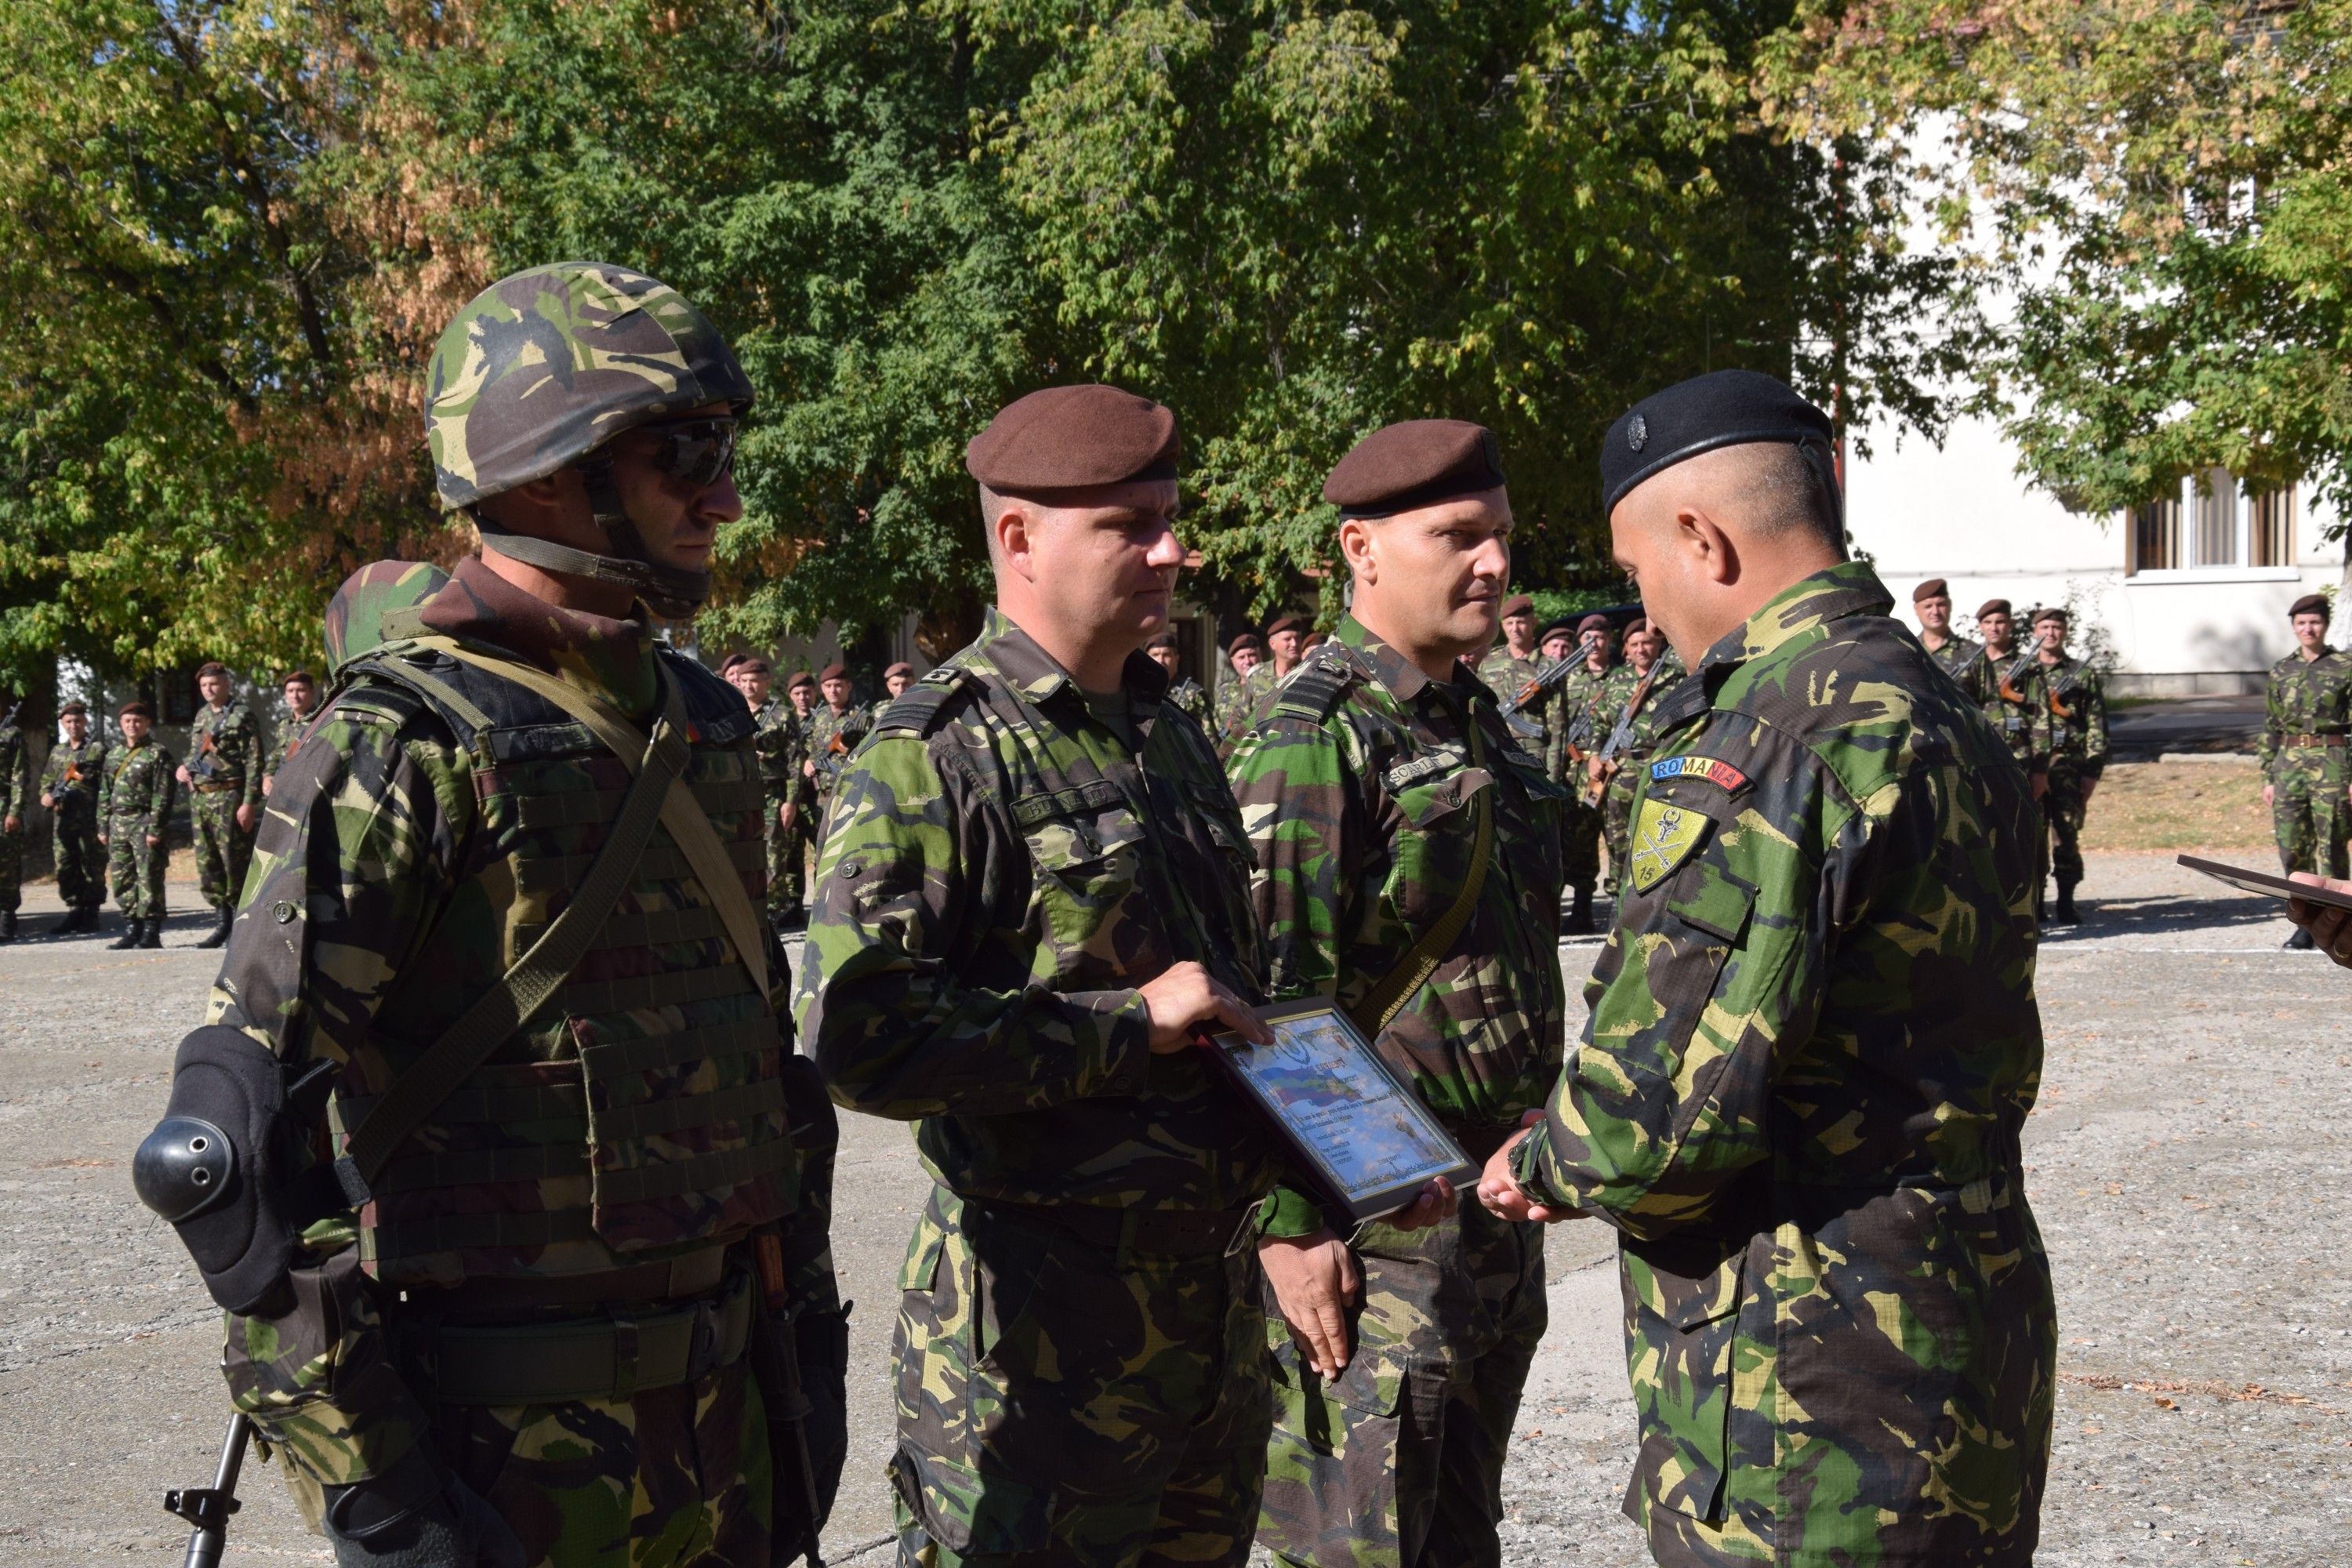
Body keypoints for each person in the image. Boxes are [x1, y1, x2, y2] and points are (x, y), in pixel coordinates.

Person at [134, 262, 844, 1568]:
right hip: (499, 1462)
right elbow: (231, 1166)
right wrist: (384, 1501)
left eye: (723, 449)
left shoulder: (706, 723)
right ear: (539, 474)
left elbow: (757, 1086)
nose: (726, 495)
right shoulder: (400, 746)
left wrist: (806, 1362)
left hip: (724, 1427)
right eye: (684, 451)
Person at [798, 383, 1446, 1568]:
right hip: (1041, 1338)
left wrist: (1351, 1156)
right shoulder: (936, 753)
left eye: (1171, 515)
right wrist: (1118, 1027)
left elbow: (1233, 996)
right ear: (1018, 537)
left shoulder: (1169, 728)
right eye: (1130, 524)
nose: (1172, 548)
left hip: (1201, 1326)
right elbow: (858, 1036)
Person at [1478, 368, 2053, 1566]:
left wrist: (1541, 1162)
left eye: (1641, 574)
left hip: (1809, 1375)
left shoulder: (1775, 738)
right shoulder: (1940, 709)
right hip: (1964, 1322)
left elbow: (1654, 1116)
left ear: (1701, 537)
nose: (1650, 607)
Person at [1229, 418, 1553, 1568]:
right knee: (1359, 1553)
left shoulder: (1483, 724)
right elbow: (1268, 1005)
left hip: (1490, 1216)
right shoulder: (1313, 737)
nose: (1496, 564)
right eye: (1458, 536)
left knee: (1463, 1542)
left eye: (1501, 536)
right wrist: (1290, 1226)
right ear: (1362, 550)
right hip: (1373, 1238)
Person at [2262, 593, 2351, 949]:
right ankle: (2304, 921)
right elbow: (2270, 725)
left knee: (2331, 846)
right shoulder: (2282, 670)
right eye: (2301, 623)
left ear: (2325, 625)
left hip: (2333, 761)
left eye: (2314, 622)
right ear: (2294, 628)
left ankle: (2340, 920)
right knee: (2291, 847)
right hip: (2289, 765)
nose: (2308, 629)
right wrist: (2268, 775)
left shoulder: (2345, 666)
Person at [175, 661, 263, 948]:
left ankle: (241, 926)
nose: (208, 689)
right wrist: (184, 769)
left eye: (214, 684)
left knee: (233, 862)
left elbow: (254, 761)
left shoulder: (242, 716)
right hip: (201, 797)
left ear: (226, 684)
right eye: (203, 686)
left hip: (230, 797)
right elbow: (194, 753)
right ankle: (221, 924)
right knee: (208, 862)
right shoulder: (201, 716)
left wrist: (249, 803)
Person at [1589, 617, 1680, 893]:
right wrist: (1594, 756)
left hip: (1662, 766)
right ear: (1626, 648)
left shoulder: (1676, 677)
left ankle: (1654, 894)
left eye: (1647, 643)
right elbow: (1600, 723)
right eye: (1635, 644)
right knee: (1617, 835)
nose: (1641, 649)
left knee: (1659, 834)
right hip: (1621, 769)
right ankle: (1617, 895)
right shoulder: (1617, 679)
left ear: (1658, 644)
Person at [2031, 604, 2107, 925]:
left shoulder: (2081, 673)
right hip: (2033, 765)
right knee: (2032, 838)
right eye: (2045, 627)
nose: (2051, 633)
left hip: (2068, 767)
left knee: (2066, 835)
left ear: (2065, 632)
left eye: (2057, 628)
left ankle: (2066, 901)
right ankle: (2035, 904)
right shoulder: (2022, 673)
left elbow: (2097, 725)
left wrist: (2091, 771)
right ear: (2035, 631)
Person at [1552, 613, 1618, 933]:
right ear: (1581, 642)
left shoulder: (1624, 676)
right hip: (1579, 772)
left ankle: (1621, 914)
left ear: (1609, 639)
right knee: (1579, 842)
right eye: (1588, 637)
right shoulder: (1570, 679)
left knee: (1620, 839)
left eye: (1601, 635)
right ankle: (1582, 912)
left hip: (1618, 771)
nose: (1595, 642)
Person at [100, 698, 176, 950]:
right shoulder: (114, 754)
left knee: (149, 878)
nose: (132, 725)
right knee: (122, 878)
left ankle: (151, 931)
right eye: (128, 721)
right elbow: (104, 793)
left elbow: (163, 795)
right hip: (118, 823)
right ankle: (132, 928)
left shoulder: (157, 753)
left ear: (147, 724)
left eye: (137, 721)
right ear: (121, 724)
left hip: (144, 821)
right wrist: (102, 827)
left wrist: (156, 829)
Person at [38, 700, 109, 934]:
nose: (73, 725)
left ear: (85, 721)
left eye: (77, 720)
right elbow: (46, 781)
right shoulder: (58, 751)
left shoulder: (98, 749)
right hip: (64, 820)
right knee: (66, 865)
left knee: (93, 865)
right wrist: (46, 796)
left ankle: (92, 913)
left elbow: (107, 785)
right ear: (62, 723)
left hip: (90, 819)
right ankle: (75, 909)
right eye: (68, 721)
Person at [801, 661, 869, 824]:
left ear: (849, 686)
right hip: (821, 792)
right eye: (828, 686)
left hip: (850, 790)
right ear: (822, 688)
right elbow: (812, 746)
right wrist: (809, 761)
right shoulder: (819, 716)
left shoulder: (861, 718)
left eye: (838, 685)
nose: (833, 690)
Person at [260, 670, 321, 797]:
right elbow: (277, 754)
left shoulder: (322, 721)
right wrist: (268, 776)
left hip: (309, 792)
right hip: (283, 790)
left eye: (301, 690)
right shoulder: (284, 724)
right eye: (290, 691)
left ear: (312, 692)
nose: (295, 696)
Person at [1911, 577, 1978, 676]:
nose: (1935, 612)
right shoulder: (1909, 650)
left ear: (1950, 605)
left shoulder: (1973, 653)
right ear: (1916, 609)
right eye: (1928, 606)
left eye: (1941, 605)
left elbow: (1989, 691)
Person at [1475, 592, 1541, 691]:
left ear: (1534, 623)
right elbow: (1477, 699)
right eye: (1510, 623)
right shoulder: (1490, 661)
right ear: (1503, 625)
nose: (1515, 629)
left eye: (1520, 622)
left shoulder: (1545, 663)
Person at [1215, 632, 1265, 753]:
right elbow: (1215, 725)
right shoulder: (1224, 690)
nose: (1247, 661)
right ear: (1233, 661)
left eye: (1252, 655)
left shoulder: (1273, 686)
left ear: (1261, 655)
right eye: (1241, 657)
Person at [1148, 628, 1211, 723]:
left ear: (1176, 658)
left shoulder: (1194, 694)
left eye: (1166, 655)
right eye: (1155, 655)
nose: (1161, 660)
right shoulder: (1136, 692)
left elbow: (1208, 735)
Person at [0, 695, 24, 942]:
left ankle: (6, 917)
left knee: (6, 865)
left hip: (2, 805)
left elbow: (19, 774)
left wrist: (15, 810)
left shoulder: (11, 734)